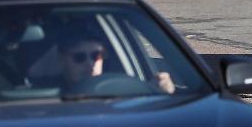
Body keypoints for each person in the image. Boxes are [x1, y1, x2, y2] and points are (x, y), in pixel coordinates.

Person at [31, 33, 175, 94]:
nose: (90, 64)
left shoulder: (127, 90)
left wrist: (164, 92)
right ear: (62, 60)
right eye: (79, 57)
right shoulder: (42, 95)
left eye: (96, 56)